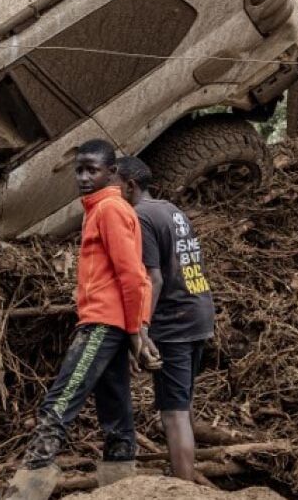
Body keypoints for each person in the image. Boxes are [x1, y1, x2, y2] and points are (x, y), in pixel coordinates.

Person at [5, 139, 156, 500]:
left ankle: (27, 491)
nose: (84, 177)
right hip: (111, 323)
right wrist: (135, 330)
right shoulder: (102, 209)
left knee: (59, 403)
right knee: (115, 410)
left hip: (103, 325)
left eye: (93, 170)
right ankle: (121, 489)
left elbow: (133, 275)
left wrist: (137, 331)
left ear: (112, 173)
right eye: (80, 169)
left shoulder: (108, 210)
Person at [113, 156, 214, 482]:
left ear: (129, 186)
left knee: (173, 413)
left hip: (175, 322)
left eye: (114, 185)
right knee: (182, 405)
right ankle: (187, 477)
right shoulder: (170, 209)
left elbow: (152, 278)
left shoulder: (139, 216)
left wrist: (140, 330)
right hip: (198, 312)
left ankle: (183, 489)